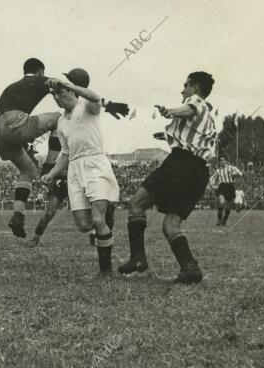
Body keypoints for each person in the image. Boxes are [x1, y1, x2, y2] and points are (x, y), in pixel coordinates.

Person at [0, 58, 129, 238]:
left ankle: (18, 214)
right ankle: (50, 164)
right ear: (41, 71)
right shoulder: (43, 80)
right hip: (16, 124)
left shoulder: (12, 86)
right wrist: (109, 104)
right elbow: (68, 87)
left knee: (28, 171)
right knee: (58, 119)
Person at [118, 71, 216, 284]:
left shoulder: (196, 101)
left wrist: (168, 111)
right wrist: (168, 135)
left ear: (196, 88)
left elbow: (190, 108)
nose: (183, 90)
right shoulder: (208, 115)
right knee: (170, 225)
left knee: (136, 203)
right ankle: (190, 268)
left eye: (186, 85)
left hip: (181, 164)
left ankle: (137, 259)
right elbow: (195, 134)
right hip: (199, 172)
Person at [41, 68, 119, 274]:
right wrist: (51, 173)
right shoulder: (61, 121)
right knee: (84, 225)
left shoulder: (87, 106)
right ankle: (107, 211)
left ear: (72, 90)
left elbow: (94, 96)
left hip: (94, 164)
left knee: (97, 220)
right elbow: (65, 153)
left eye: (60, 92)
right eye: (54, 94)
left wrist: (67, 84)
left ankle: (105, 271)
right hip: (75, 169)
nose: (57, 97)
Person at [209, 155, 242, 226]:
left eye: (223, 160)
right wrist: (211, 184)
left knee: (228, 207)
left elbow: (240, 174)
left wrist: (235, 175)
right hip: (222, 187)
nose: (222, 162)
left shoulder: (232, 168)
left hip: (230, 187)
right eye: (220, 160)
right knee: (221, 202)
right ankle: (219, 221)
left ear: (226, 161)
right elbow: (212, 178)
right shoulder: (218, 171)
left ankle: (224, 221)